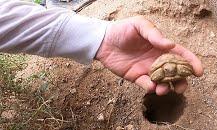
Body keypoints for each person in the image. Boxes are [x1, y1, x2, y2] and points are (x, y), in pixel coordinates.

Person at [0, 0, 203, 95]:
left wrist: (100, 37)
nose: (167, 70)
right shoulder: (159, 70)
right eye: (165, 69)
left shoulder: (171, 66)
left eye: (168, 69)